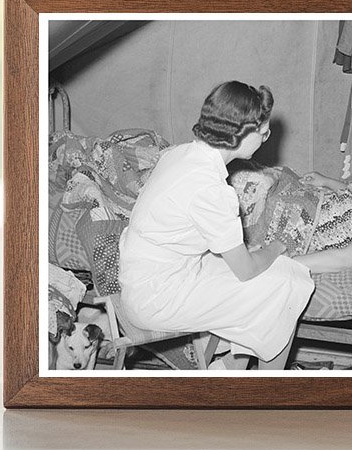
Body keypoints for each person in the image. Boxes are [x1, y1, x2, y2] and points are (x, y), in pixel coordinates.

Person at [118, 81, 315, 369]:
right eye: (263, 133)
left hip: (150, 276)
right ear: (239, 133)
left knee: (284, 277)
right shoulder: (212, 190)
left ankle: (226, 371)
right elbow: (246, 272)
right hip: (158, 298)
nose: (265, 139)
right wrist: (276, 247)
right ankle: (267, 394)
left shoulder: (181, 154)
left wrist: (248, 251)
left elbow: (189, 229)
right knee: (285, 284)